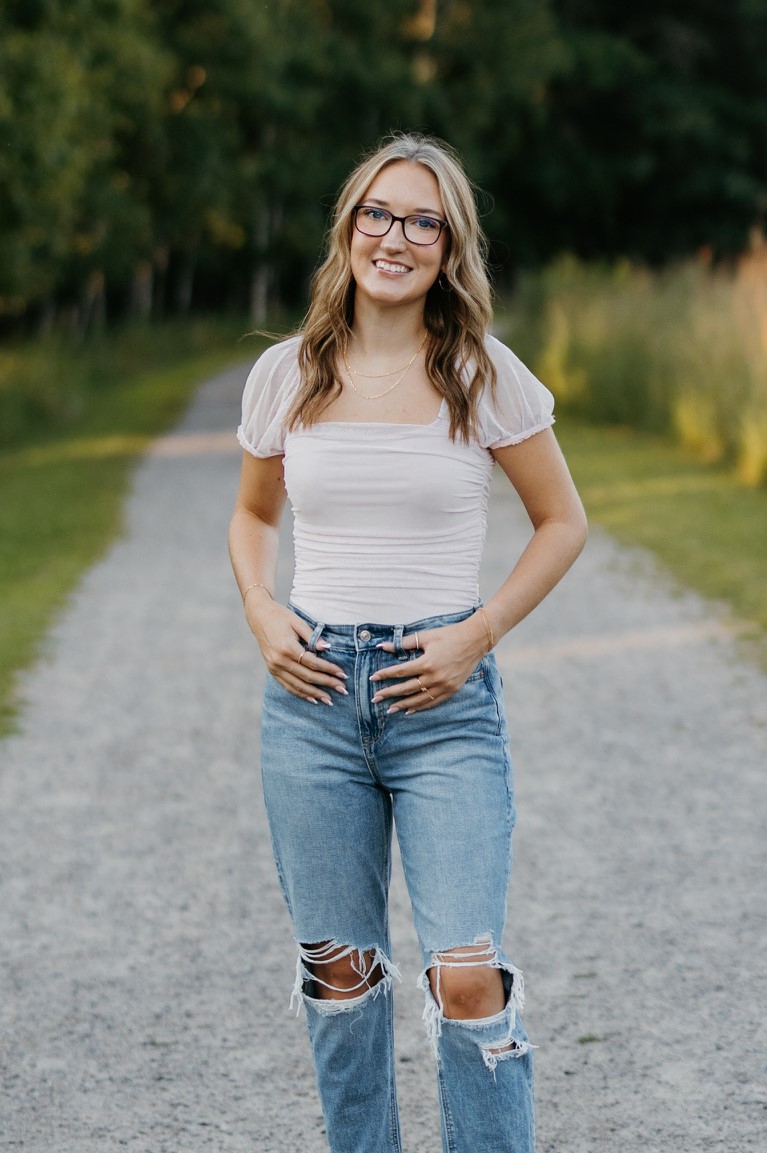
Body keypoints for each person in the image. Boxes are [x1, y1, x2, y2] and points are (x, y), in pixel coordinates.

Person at [228, 132, 587, 1153]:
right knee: (339, 972)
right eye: (377, 214)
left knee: (464, 973)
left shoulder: (481, 372)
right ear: (348, 227)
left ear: (448, 245)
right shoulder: (287, 373)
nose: (394, 237)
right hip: (310, 702)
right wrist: (261, 608)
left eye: (422, 222)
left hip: (442, 701)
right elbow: (252, 514)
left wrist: (477, 633)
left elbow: (562, 521)